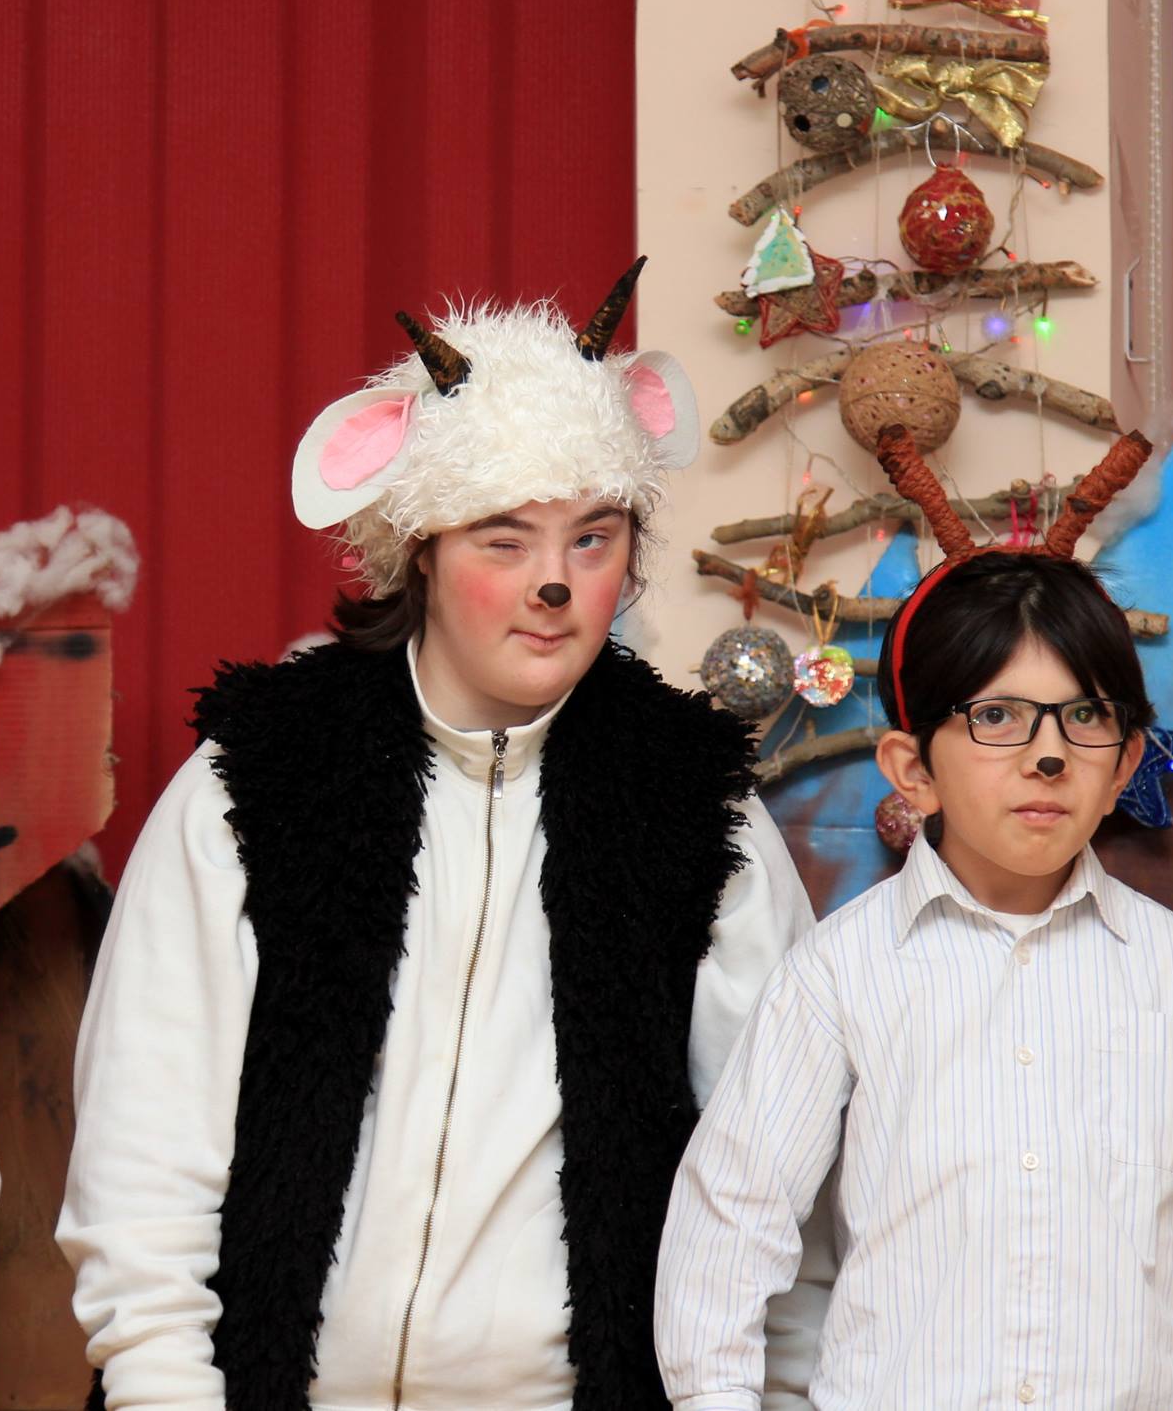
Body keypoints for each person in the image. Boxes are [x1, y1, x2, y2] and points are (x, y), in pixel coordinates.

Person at [58, 260, 828, 1410]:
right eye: (503, 540)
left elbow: (773, 1191)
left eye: (592, 538)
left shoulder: (695, 810)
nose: (554, 585)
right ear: (419, 545)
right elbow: (143, 1158)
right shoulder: (258, 780)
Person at [655, 425, 1173, 1409]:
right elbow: (728, 1230)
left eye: (1084, 716)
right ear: (912, 769)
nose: (1048, 755)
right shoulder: (839, 972)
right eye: (997, 716)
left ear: (1125, 765)